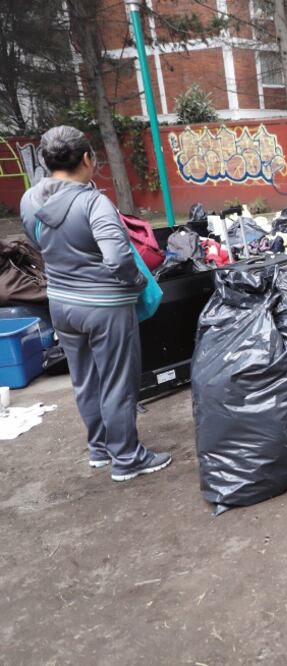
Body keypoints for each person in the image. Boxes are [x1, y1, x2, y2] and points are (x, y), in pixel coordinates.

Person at [19, 126, 171, 481]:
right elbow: (118, 259)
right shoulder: (93, 202)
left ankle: (100, 449)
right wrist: (136, 283)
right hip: (105, 306)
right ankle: (127, 458)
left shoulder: (29, 200)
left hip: (60, 303)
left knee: (85, 379)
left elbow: (37, 244)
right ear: (87, 158)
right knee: (118, 380)